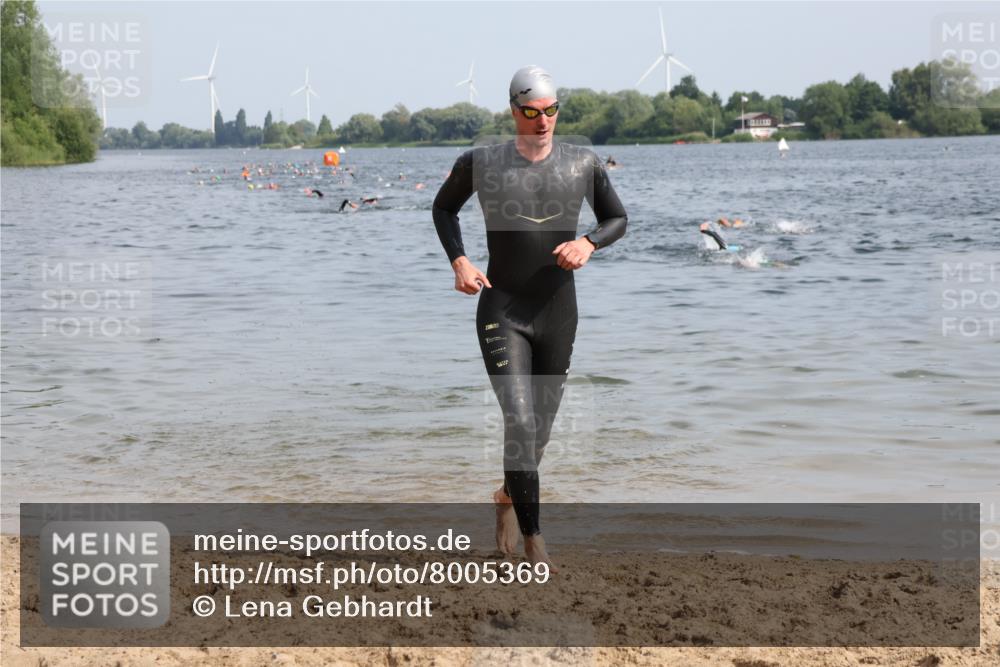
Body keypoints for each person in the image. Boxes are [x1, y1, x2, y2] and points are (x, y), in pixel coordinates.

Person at [432, 65, 627, 569]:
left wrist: (588, 242)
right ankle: (535, 540)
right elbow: (443, 209)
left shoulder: (583, 163)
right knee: (519, 420)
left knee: (537, 432)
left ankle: (505, 496)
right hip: (503, 309)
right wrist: (460, 260)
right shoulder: (481, 162)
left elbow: (617, 219)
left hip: (558, 313)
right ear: (513, 111)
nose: (543, 121)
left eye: (551, 111)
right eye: (531, 112)